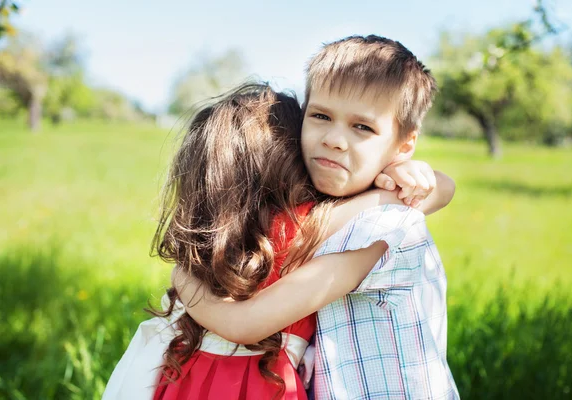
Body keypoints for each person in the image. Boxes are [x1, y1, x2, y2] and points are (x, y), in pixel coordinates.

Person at [175, 35, 460, 399]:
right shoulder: (350, 204)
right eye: (321, 116)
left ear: (404, 146)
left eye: (363, 127)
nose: (334, 139)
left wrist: (184, 280)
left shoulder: (381, 228)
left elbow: (244, 323)